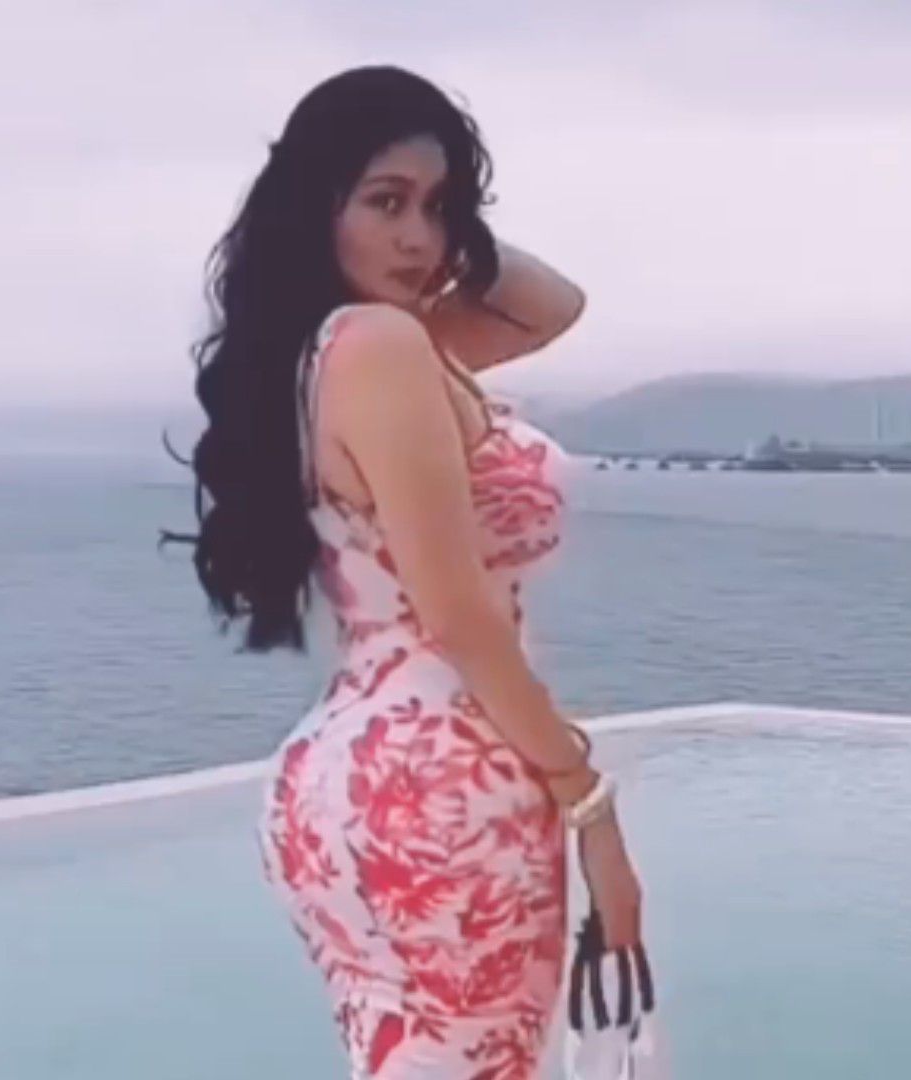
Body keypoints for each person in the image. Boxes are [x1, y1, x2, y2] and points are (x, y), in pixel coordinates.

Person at [168, 65, 641, 1078]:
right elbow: (459, 616)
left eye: (439, 209)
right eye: (385, 203)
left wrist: (436, 211)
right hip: (445, 786)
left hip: (351, 782)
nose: (419, 239)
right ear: (316, 207)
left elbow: (553, 304)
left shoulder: (338, 350)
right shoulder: (381, 346)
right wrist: (588, 801)